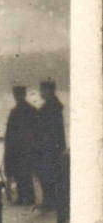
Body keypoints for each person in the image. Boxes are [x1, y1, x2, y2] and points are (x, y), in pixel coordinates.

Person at [1, 85, 39, 206]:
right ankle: (26, 196)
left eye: (17, 95)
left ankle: (25, 197)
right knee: (23, 173)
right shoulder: (32, 110)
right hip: (26, 147)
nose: (17, 97)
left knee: (21, 173)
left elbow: (10, 132)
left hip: (20, 147)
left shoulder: (16, 112)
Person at [34, 79, 66, 211]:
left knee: (46, 174)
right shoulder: (55, 106)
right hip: (54, 147)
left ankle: (49, 201)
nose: (41, 93)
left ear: (49, 91)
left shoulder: (48, 108)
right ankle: (51, 200)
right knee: (52, 174)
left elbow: (42, 130)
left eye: (43, 90)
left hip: (46, 148)